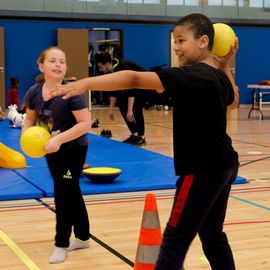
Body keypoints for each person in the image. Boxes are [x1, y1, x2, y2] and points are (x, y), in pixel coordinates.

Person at [48, 13, 239, 270]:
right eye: (174, 41)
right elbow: (234, 100)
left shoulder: (192, 75)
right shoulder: (215, 77)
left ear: (203, 41)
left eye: (181, 40)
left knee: (174, 239)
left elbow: (134, 78)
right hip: (225, 166)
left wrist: (85, 83)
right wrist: (225, 65)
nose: (175, 47)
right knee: (213, 234)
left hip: (201, 170)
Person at [22, 47, 91, 264]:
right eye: (53, 61)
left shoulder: (72, 92)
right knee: (71, 191)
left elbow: (85, 124)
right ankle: (82, 237)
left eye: (62, 61)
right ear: (41, 66)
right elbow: (30, 120)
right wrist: (27, 138)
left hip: (73, 151)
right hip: (51, 151)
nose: (58, 65)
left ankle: (61, 244)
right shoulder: (34, 91)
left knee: (63, 193)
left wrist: (59, 140)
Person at [94, 52, 147, 146]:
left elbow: (132, 88)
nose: (100, 69)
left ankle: (141, 137)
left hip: (145, 86)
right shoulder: (113, 70)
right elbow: (115, 91)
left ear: (107, 64)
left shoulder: (122, 67)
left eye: (101, 67)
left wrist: (130, 110)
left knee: (136, 108)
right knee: (122, 100)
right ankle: (135, 134)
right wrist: (110, 109)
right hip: (134, 87)